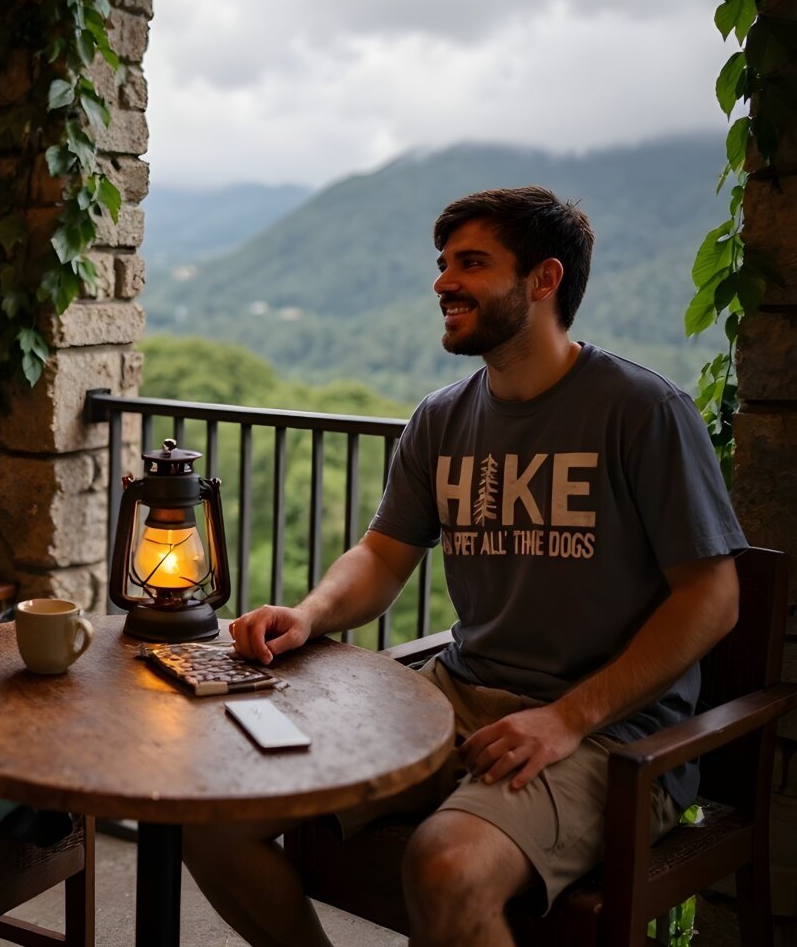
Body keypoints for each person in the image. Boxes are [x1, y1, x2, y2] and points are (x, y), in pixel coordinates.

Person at [183, 186, 747, 947]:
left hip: (608, 736)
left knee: (444, 865)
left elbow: (713, 599)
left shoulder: (643, 411)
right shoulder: (442, 417)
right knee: (212, 817)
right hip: (452, 702)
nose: (443, 282)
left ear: (544, 280)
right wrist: (310, 613)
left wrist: (567, 718)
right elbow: (383, 556)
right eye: (443, 264)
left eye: (471, 263)